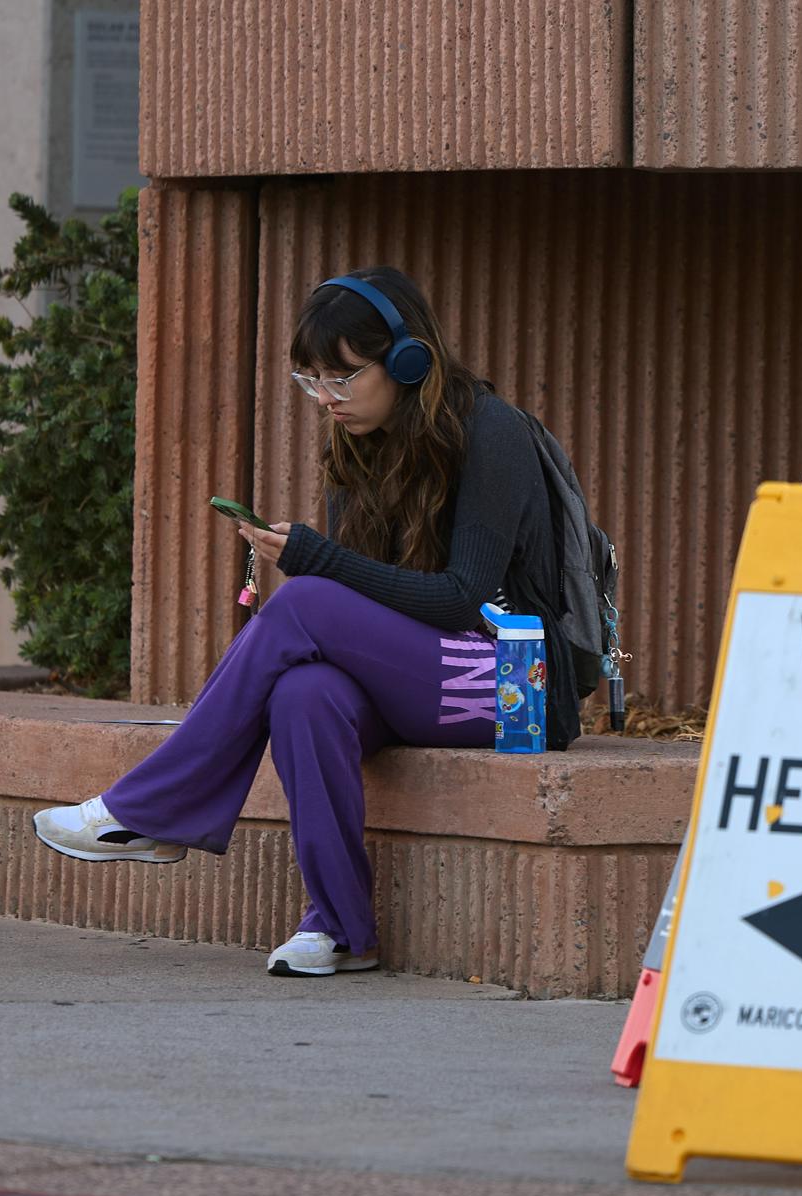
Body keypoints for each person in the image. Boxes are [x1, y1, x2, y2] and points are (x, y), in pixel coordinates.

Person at [32, 267, 575, 976]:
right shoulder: (358, 442)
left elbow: (459, 597)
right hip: (424, 676)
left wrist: (318, 561)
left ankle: (150, 809)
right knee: (304, 695)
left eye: (343, 378)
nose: (327, 399)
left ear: (409, 361)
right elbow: (373, 601)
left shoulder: (491, 431)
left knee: (303, 601)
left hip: (513, 686)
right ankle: (341, 926)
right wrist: (321, 563)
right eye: (312, 381)